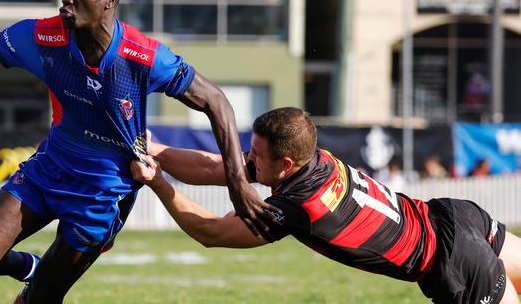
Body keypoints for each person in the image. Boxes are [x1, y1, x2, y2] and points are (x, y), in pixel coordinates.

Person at [0, 0, 275, 304]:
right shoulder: (39, 37)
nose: (66, 1)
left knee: (42, 299)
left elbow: (217, 102)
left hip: (104, 192)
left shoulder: (144, 57)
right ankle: (32, 266)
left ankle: (42, 282)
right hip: (49, 170)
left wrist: (239, 184)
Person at [131, 107, 521, 304]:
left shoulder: (299, 206)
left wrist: (158, 182)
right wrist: (157, 149)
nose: (249, 161)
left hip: (453, 260)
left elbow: (212, 232)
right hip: (455, 214)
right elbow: (216, 167)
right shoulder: (315, 157)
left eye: (257, 156)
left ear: (284, 164)